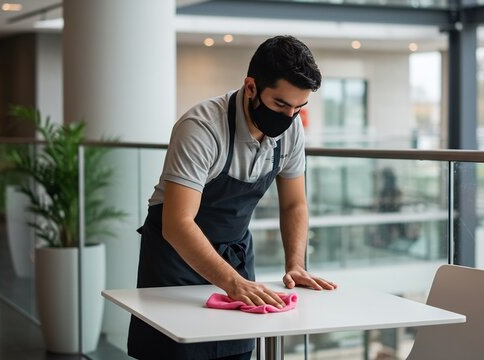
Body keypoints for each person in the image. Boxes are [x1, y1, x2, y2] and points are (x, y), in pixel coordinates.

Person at [128, 35, 337, 360]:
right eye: (281, 104)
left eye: (299, 107)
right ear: (251, 87)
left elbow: (295, 204)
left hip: (235, 256)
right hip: (174, 262)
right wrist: (233, 282)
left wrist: (295, 264)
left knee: (236, 350)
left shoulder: (291, 131)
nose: (289, 116)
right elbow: (178, 223)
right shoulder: (201, 127)